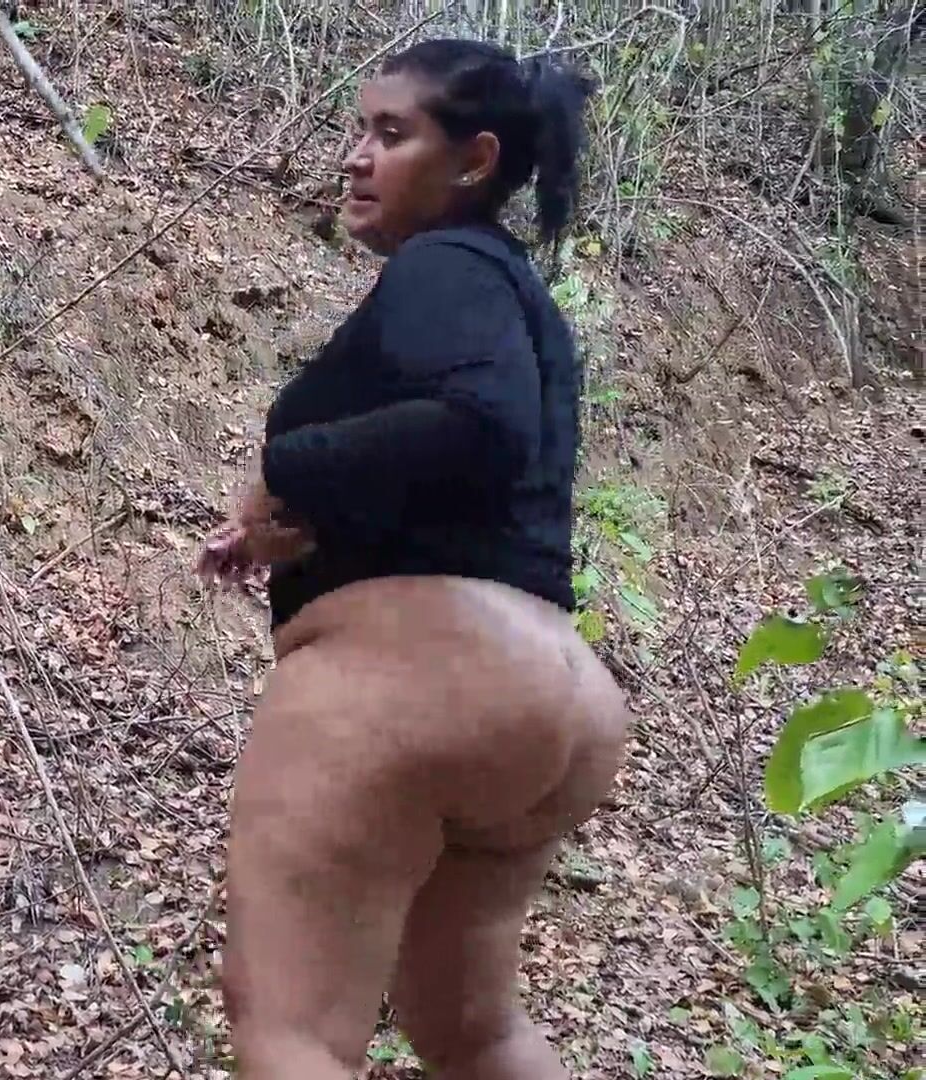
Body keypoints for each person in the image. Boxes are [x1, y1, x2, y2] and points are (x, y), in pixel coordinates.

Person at [198, 40, 631, 1079]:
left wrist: (284, 469)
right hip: (555, 704)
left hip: (411, 684)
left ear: (474, 160)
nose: (356, 155)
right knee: (472, 1032)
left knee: (292, 1034)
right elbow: (473, 476)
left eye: (391, 134)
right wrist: (300, 517)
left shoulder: (445, 264)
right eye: (359, 130)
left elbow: (481, 424)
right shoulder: (514, 291)